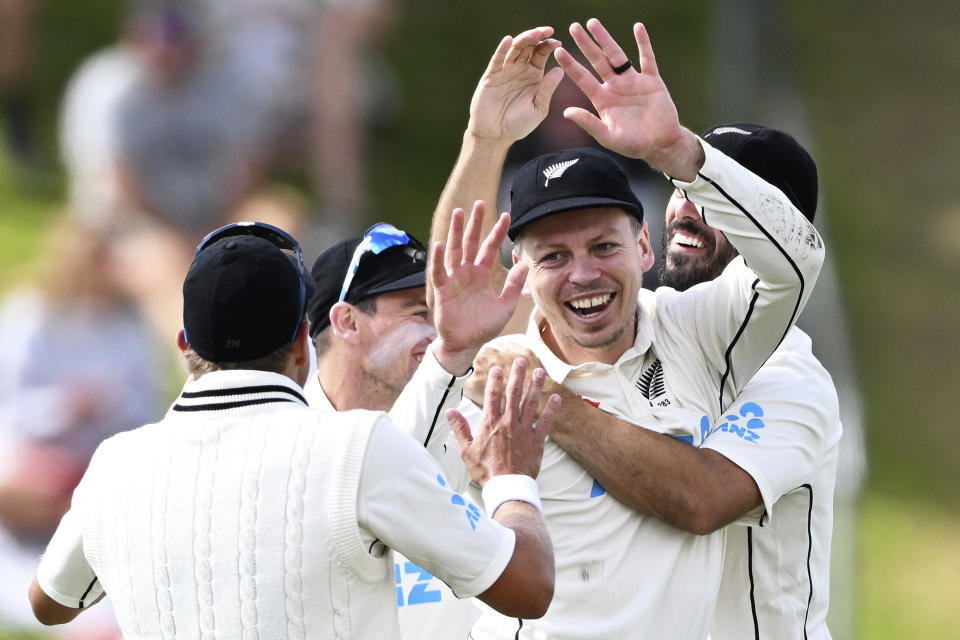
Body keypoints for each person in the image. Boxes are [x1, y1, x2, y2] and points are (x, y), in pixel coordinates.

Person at [426, 19, 825, 639]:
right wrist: (485, 140)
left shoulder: (751, 354)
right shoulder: (501, 364)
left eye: (715, 196)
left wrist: (678, 153)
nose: (690, 205)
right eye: (553, 256)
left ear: (639, 245)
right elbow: (461, 288)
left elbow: (700, 500)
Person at [28, 220, 560, 637]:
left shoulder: (117, 464)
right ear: (304, 341)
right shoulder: (358, 447)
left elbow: (49, 601)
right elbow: (528, 589)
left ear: (185, 344)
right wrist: (511, 480)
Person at [303, 220, 481, 637]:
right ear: (348, 322)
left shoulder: (476, 424)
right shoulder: (285, 449)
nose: (438, 335)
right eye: (418, 313)